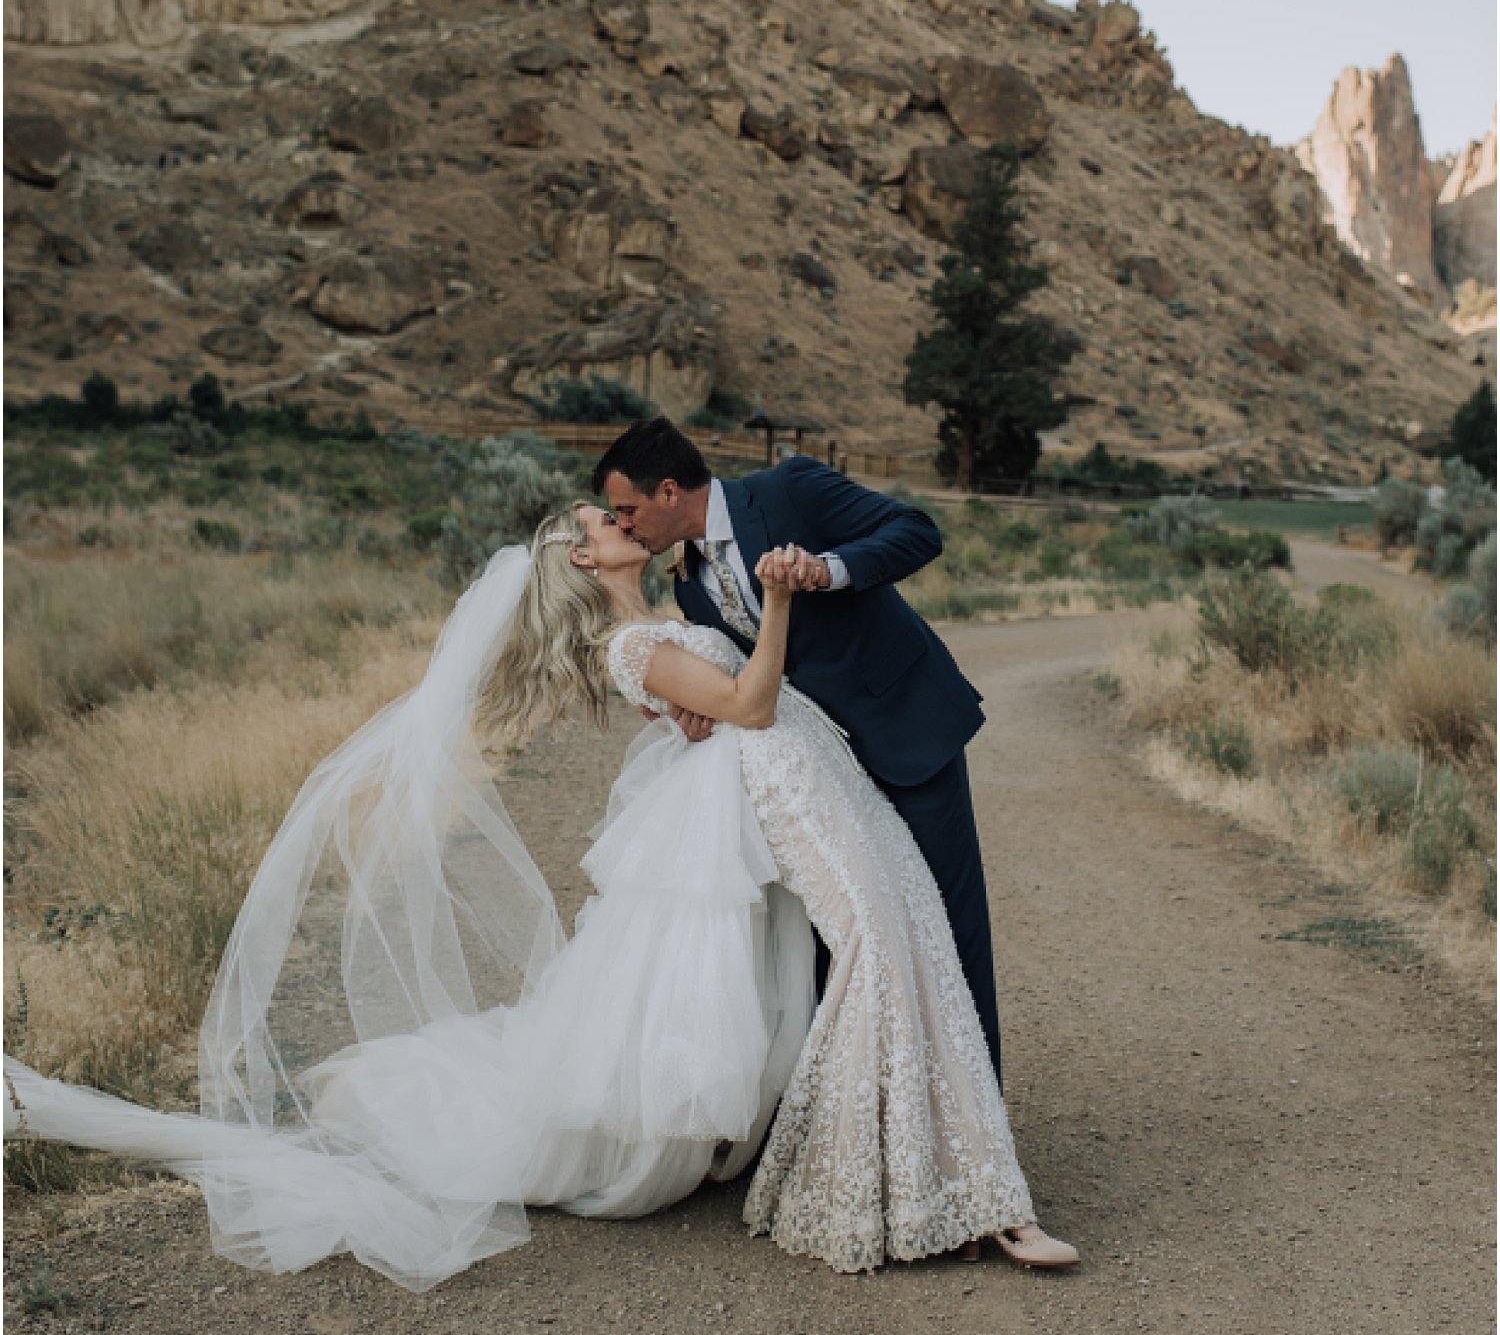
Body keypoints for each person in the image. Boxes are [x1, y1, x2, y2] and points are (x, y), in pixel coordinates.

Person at [4, 501, 1077, 1284]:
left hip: (789, 793)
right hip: (772, 789)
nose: (624, 521)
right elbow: (752, 700)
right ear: (582, 555)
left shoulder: (670, 613)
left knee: (839, 963)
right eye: (606, 521)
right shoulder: (632, 641)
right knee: (839, 972)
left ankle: (927, 1174)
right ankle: (911, 1185)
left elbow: (731, 695)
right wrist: (782, 610)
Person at [593, 417, 1008, 1088]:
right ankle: (876, 1104)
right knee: (845, 940)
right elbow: (746, 673)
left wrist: (829, 568)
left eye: (629, 509)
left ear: (669, 490)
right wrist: (697, 708)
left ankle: (976, 1107)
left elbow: (917, 530)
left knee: (948, 929)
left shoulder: (790, 489)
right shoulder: (689, 584)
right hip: (824, 776)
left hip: (907, 733)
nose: (628, 525)